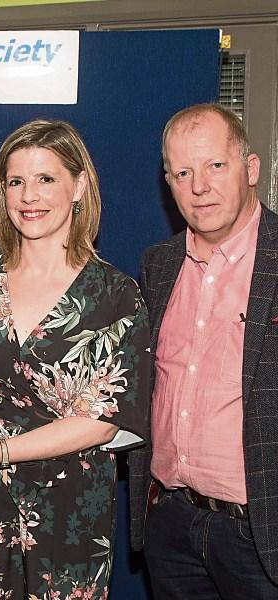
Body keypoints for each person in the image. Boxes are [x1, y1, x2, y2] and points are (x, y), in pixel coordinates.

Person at [0, 119, 150, 599]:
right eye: (16, 181)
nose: (29, 195)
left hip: (71, 511)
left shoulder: (114, 295)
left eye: (46, 178)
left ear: (79, 186)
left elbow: (104, 420)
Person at [128, 103, 278, 598]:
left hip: (261, 534)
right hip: (170, 524)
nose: (199, 187)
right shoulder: (158, 266)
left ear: (251, 168)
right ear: (167, 183)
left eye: (216, 166)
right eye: (183, 173)